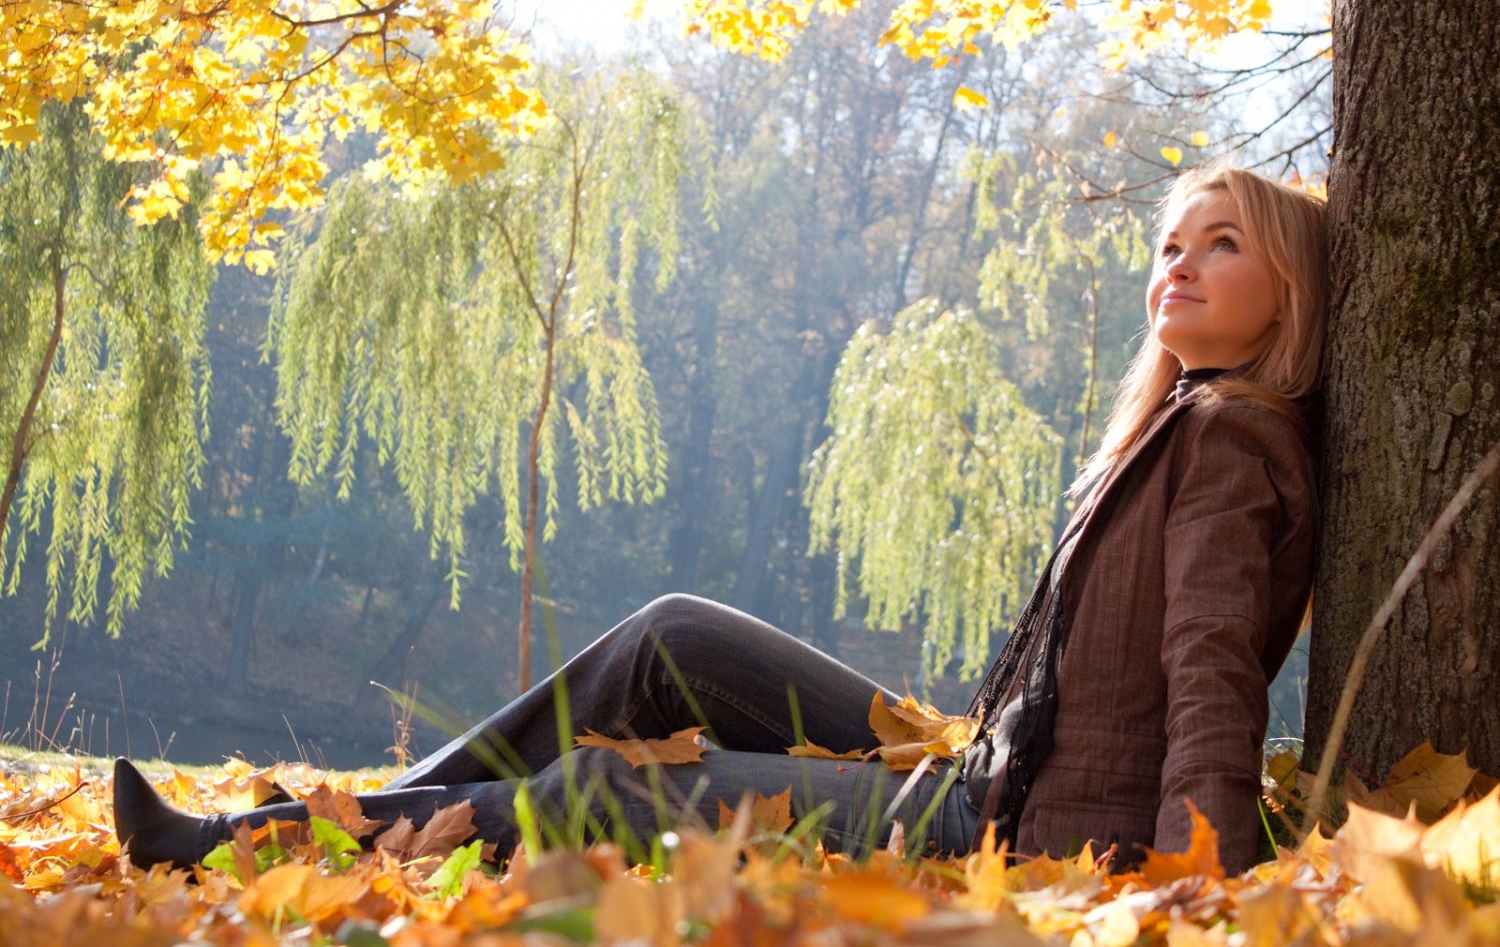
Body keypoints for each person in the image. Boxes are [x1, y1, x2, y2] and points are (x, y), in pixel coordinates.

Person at [114, 160, 1325, 875]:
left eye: (1223, 245)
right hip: (986, 762)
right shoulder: (1178, 424)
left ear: (1290, 297)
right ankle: (348, 812)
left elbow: (1209, 670)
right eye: (1171, 242)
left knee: (599, 788)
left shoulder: (1227, 442)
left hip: (1017, 824)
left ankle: (252, 843)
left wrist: (1196, 884)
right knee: (673, 636)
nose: (1180, 261)